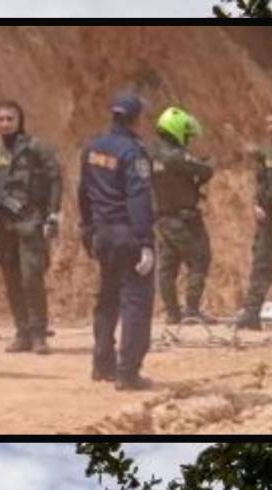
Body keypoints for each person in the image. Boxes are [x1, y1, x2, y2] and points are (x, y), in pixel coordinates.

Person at [77, 92, 157, 391]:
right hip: (127, 235)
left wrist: (87, 229)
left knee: (107, 299)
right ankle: (127, 372)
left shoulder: (92, 147)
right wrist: (145, 242)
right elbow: (138, 199)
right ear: (135, 118)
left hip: (101, 233)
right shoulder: (133, 152)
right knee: (136, 302)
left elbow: (83, 191)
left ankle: (102, 364)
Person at [0, 100, 62, 355]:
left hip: (29, 220)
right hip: (2, 225)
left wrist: (53, 214)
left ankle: (38, 335)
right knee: (11, 280)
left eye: (9, 119)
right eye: (0, 119)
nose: (4, 124)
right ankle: (22, 332)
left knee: (31, 277)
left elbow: (55, 179)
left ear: (19, 120)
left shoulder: (35, 148)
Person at [151, 106, 214, 324]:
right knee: (200, 259)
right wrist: (207, 163)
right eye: (187, 134)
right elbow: (205, 170)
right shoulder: (175, 156)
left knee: (168, 266)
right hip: (184, 220)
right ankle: (192, 310)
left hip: (162, 217)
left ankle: (172, 313)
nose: (188, 139)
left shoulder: (152, 155)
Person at [236, 112, 272, 330]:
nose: (269, 128)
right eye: (268, 123)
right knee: (261, 264)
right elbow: (261, 181)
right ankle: (251, 314)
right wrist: (257, 204)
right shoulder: (267, 151)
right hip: (268, 217)